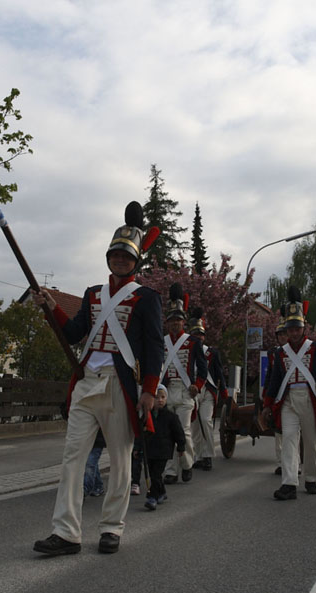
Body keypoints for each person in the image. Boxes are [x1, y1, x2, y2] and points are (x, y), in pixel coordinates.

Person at [31, 202, 163, 556]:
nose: (120, 260)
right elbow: (74, 333)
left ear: (136, 262)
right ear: (109, 257)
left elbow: (153, 348)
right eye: (115, 254)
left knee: (120, 461)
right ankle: (66, 532)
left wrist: (149, 391)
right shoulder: (92, 294)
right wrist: (49, 306)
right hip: (88, 381)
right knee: (72, 457)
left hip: (121, 386)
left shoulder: (146, 298)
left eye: (126, 256)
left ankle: (111, 528)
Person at [261, 286, 316, 500]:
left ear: (303, 328)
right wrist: (267, 404)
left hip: (311, 400)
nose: (293, 332)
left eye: (297, 328)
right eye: (290, 329)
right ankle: (289, 483)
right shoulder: (280, 353)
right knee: (289, 442)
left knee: (311, 442)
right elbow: (275, 381)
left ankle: (311, 478)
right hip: (288, 401)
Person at [160, 284, 207, 484]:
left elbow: (203, 368)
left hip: (186, 391)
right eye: (171, 320)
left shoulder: (193, 342)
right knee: (169, 433)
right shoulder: (162, 342)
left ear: (183, 321)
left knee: (185, 431)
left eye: (178, 320)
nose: (175, 323)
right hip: (167, 391)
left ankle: (187, 464)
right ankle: (171, 471)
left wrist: (197, 384)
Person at [187, 307, 227, 472]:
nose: (198, 338)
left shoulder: (211, 352)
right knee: (195, 425)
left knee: (205, 420)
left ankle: (209, 455)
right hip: (192, 390)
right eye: (195, 335)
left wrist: (223, 390)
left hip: (208, 391)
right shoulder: (186, 351)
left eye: (200, 335)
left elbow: (218, 372)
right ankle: (199, 455)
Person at [142, 385, 186, 510]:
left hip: (163, 450)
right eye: (156, 397)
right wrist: (138, 448)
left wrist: (181, 447)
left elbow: (179, 433)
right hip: (150, 451)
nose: (160, 400)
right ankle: (162, 492)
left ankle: (152, 497)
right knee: (153, 473)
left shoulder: (171, 417)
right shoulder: (146, 415)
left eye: (163, 397)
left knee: (156, 474)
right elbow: (141, 433)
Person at [83, 430, 106, 497]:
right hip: (87, 439)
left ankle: (85, 489)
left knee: (90, 463)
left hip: (97, 440)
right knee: (93, 463)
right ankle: (98, 486)